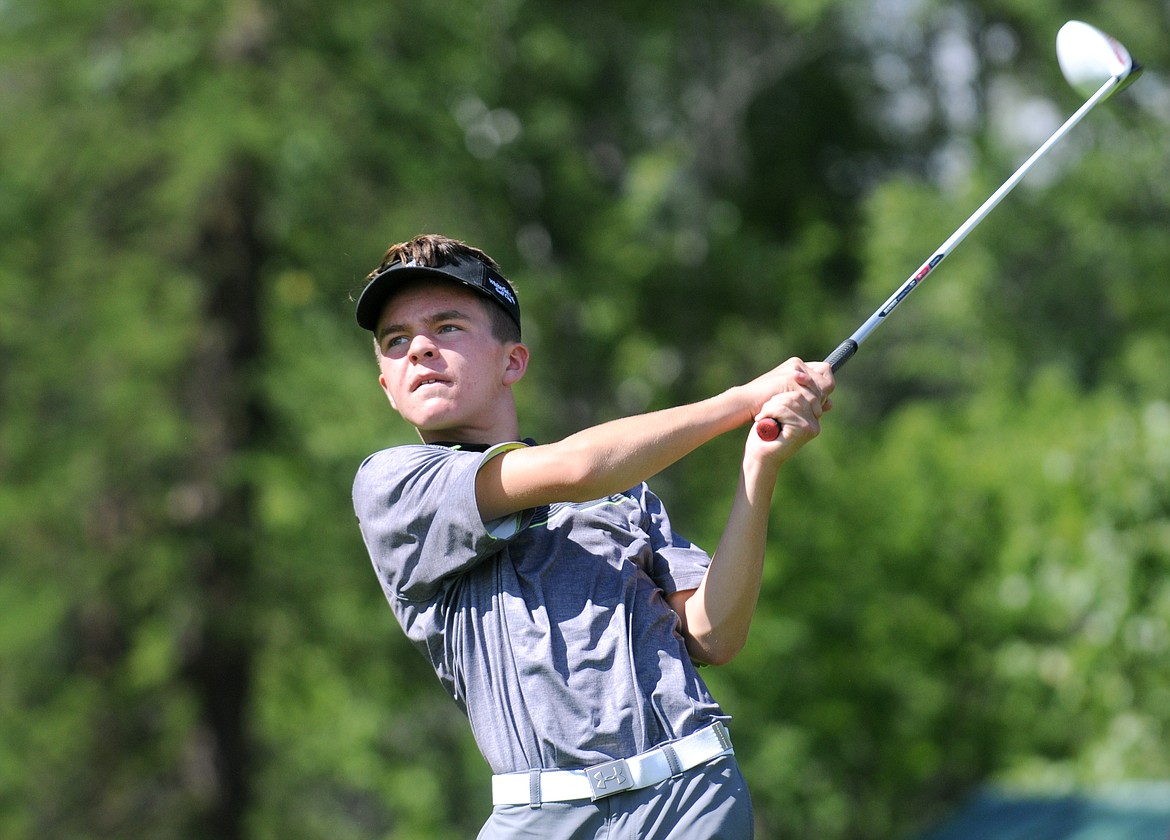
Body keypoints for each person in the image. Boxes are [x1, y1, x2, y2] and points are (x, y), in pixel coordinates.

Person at [351, 233, 834, 838]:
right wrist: (741, 400)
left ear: (512, 361)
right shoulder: (392, 486)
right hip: (536, 817)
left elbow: (714, 634)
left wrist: (758, 469)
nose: (420, 348)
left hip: (688, 794)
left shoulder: (622, 490)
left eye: (448, 327)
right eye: (397, 341)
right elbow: (576, 469)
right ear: (387, 388)